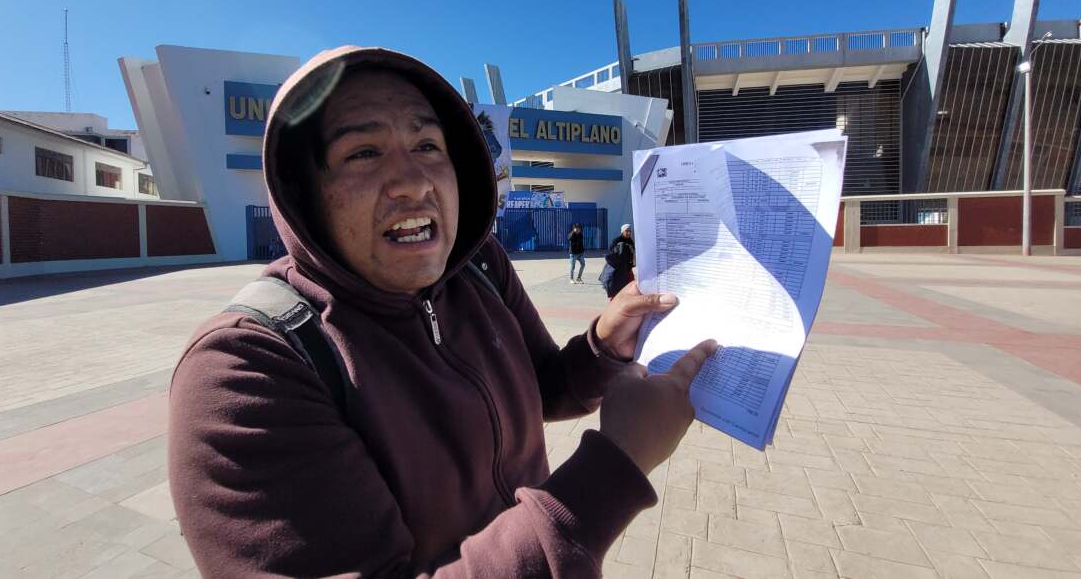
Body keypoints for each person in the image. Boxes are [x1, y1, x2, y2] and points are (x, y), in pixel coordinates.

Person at [167, 46, 717, 578]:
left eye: (428, 145)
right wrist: (615, 464)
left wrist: (604, 345)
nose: (414, 182)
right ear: (302, 193)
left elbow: (542, 386)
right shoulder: (244, 371)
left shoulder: (480, 268)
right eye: (363, 153)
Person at [603, 224, 636, 299]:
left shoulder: (630, 241)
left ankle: (628, 300)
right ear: (622, 231)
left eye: (630, 231)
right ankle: (614, 303)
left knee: (631, 285)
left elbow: (633, 253)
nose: (629, 233)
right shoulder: (617, 240)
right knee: (617, 288)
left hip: (628, 269)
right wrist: (617, 265)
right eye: (626, 231)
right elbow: (609, 255)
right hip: (618, 270)